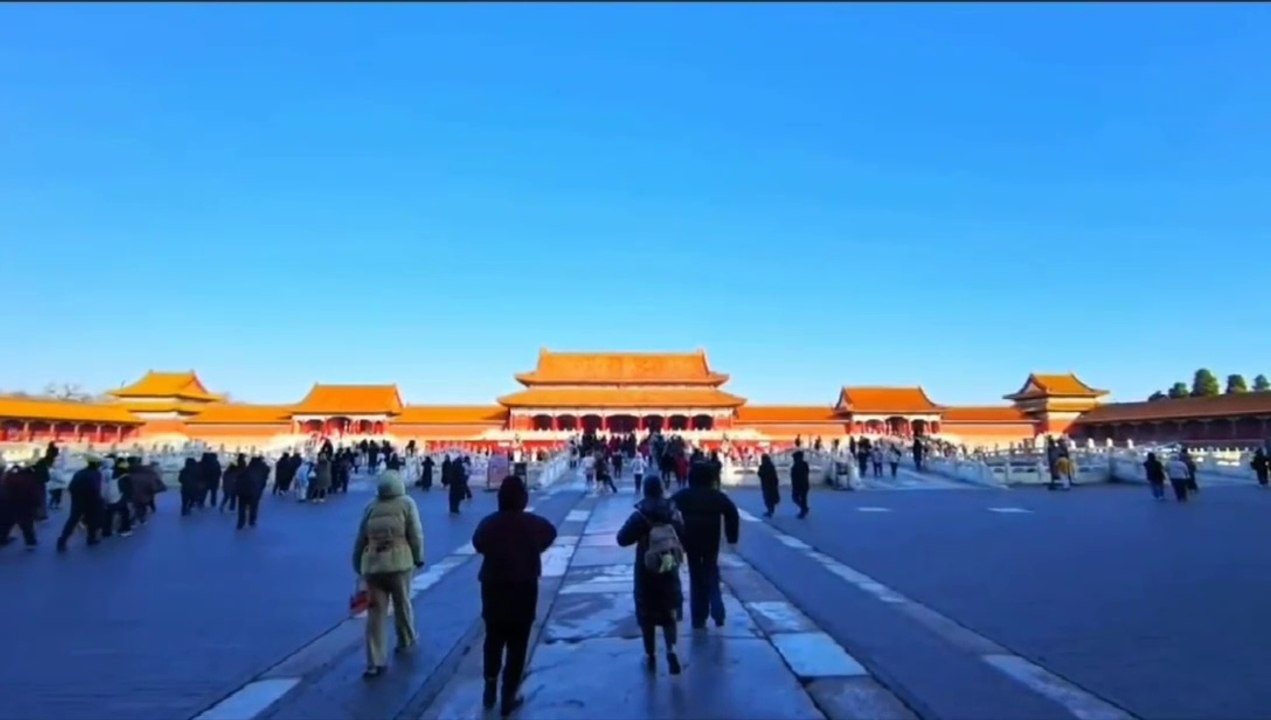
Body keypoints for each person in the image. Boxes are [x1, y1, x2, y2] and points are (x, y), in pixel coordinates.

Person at [471, 476, 558, 715]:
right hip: (524, 588)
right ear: (523, 498)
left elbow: (477, 543)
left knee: (493, 638)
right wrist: (533, 549)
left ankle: (490, 682)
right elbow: (551, 532)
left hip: (493, 588)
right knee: (518, 644)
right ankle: (508, 695)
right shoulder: (533, 524)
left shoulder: (489, 524)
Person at [352, 469, 425, 679]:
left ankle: (375, 661)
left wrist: (358, 564)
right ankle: (406, 639)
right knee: (403, 604)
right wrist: (419, 557)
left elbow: (360, 538)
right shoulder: (407, 503)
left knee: (375, 615)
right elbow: (416, 533)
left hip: (373, 565)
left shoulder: (371, 506)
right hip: (400, 563)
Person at [617, 478, 685, 675]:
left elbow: (622, 539)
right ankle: (671, 649)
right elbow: (683, 534)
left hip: (646, 567)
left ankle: (650, 652)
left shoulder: (641, 515)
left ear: (645, 491)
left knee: (646, 609)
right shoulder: (673, 512)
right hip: (669, 564)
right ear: (662, 490)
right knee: (668, 606)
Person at [671, 462, 740, 629]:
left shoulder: (684, 496)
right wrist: (732, 537)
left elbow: (667, 509)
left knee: (696, 576)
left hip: (691, 540)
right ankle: (718, 611)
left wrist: (677, 532)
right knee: (711, 572)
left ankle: (698, 617)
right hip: (711, 539)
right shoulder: (716, 496)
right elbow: (732, 513)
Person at [790, 450, 810, 518]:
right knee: (802, 498)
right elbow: (807, 473)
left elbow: (796, 476)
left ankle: (803, 510)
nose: (793, 459)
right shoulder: (804, 464)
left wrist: (795, 484)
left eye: (794, 457)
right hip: (804, 484)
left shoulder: (797, 465)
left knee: (796, 498)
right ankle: (804, 509)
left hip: (799, 485)